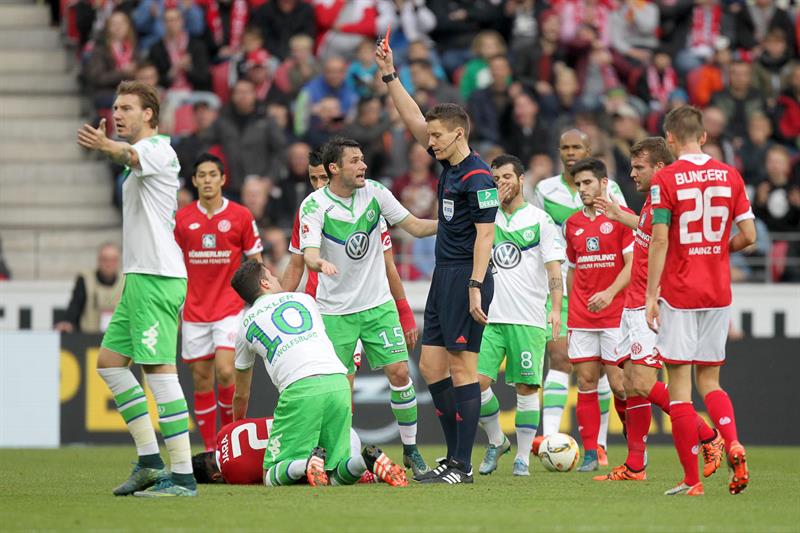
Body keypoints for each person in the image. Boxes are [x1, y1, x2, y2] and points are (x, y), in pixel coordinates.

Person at [378, 37, 499, 484]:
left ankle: (463, 466)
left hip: (468, 277)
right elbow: (413, 120)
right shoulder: (450, 165)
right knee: (431, 367)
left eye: (437, 136)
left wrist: (474, 285)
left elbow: (485, 234)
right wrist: (391, 75)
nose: (429, 142)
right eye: (430, 136)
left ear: (458, 134)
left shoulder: (479, 176)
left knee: (463, 367)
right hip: (442, 276)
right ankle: (453, 458)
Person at [76, 81, 196, 497]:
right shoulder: (140, 161)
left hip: (157, 277)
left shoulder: (158, 151)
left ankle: (182, 476)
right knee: (110, 363)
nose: (117, 113)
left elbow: (127, 152)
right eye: (114, 107)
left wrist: (105, 144)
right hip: (140, 277)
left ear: (149, 114)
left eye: (126, 107)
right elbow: (127, 158)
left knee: (159, 371)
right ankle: (149, 460)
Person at [298, 138, 437, 479]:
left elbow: (416, 227)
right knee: (339, 390)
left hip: (377, 306)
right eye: (355, 161)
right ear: (335, 168)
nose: (363, 166)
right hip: (335, 312)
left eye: (363, 159)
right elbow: (308, 253)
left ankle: (411, 450)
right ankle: (336, 457)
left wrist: (455, 222)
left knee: (401, 374)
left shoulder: (375, 193)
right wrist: (318, 264)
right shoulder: (314, 206)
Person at [592, 137, 723, 482]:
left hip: (650, 303)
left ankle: (709, 436)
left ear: (661, 168)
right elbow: (650, 233)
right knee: (630, 385)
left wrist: (658, 294)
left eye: (639, 167)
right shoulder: (651, 202)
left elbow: (672, 244)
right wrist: (624, 217)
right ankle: (636, 465)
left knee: (644, 382)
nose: (632, 173)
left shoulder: (670, 201)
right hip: (632, 302)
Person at [645, 106, 756, 496]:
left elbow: (659, 239)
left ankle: (692, 480)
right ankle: (734, 441)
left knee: (679, 388)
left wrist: (650, 294)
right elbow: (750, 235)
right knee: (710, 380)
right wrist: (718, 251)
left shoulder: (666, 177)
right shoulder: (731, 175)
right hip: (718, 291)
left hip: (680, 291)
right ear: (704, 136)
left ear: (670, 140)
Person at [230, 260, 407, 487]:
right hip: (338, 383)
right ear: (264, 283)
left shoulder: (245, 324)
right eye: (272, 277)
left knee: (270, 474)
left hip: (300, 389)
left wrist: (238, 425)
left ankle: (305, 464)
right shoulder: (305, 300)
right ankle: (366, 461)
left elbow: (241, 394)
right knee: (336, 472)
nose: (277, 279)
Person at [531, 129, 628, 466]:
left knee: (603, 374)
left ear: (588, 150)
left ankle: (598, 444)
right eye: (565, 148)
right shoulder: (545, 190)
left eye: (577, 147)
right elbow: (535, 233)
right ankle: (549, 438)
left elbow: (626, 235)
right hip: (560, 286)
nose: (570, 152)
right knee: (561, 358)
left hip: (606, 289)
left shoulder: (611, 190)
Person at [476, 155, 565, 477]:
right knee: (475, 383)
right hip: (489, 316)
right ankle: (497, 440)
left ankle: (523, 458)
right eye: (495, 178)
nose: (501, 183)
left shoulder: (540, 220)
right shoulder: (486, 219)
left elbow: (554, 268)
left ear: (522, 178)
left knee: (526, 389)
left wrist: (556, 309)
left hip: (527, 317)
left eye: (506, 177)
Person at [282, 149, 419, 355]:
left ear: (335, 173)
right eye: (313, 179)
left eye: (323, 178)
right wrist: (278, 306)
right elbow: (295, 266)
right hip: (324, 309)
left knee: (397, 372)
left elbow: (388, 265)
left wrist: (404, 311)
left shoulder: (369, 208)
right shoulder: (309, 211)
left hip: (365, 305)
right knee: (341, 379)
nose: (319, 185)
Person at [173, 153, 264, 453]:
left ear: (223, 179)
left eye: (213, 174)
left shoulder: (240, 216)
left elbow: (256, 261)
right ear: (195, 181)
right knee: (201, 380)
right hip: (195, 311)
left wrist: (260, 299)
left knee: (226, 371)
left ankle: (227, 439)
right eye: (202, 175)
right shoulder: (183, 220)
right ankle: (213, 451)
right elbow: (172, 262)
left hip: (229, 308)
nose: (208, 180)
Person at [564, 157, 633, 473]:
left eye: (588, 182)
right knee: (586, 381)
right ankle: (591, 453)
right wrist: (569, 307)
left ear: (604, 183)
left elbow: (632, 266)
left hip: (615, 314)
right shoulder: (572, 224)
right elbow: (572, 270)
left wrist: (608, 293)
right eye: (578, 184)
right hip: (581, 315)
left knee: (620, 385)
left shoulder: (623, 218)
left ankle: (635, 447)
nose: (582, 189)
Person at [55, 242, 124, 334]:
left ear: (118, 261)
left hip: (117, 341)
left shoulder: (126, 281)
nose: (109, 264)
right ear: (98, 260)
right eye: (105, 259)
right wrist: (68, 322)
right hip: (89, 338)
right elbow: (75, 305)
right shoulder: (85, 279)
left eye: (113, 260)